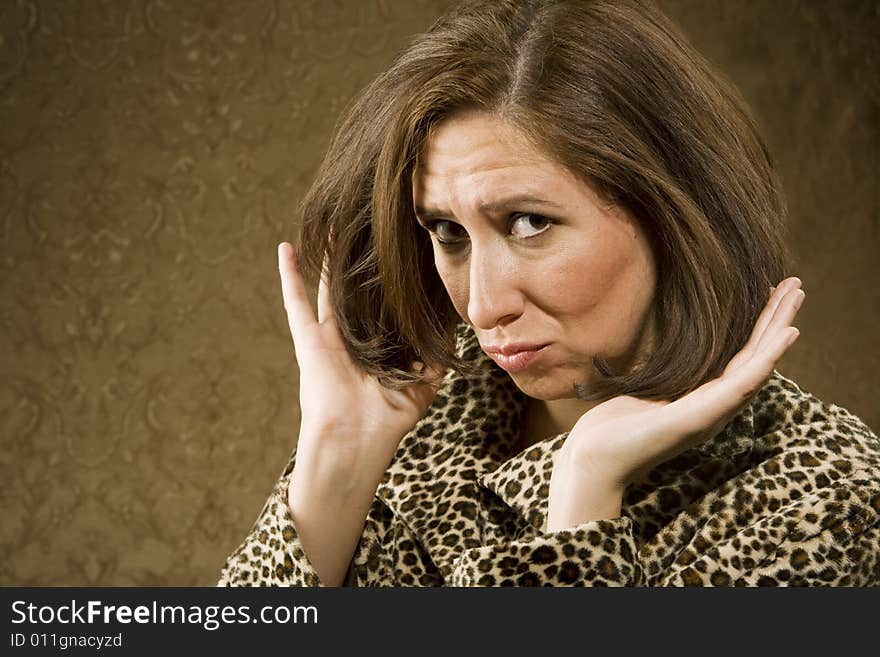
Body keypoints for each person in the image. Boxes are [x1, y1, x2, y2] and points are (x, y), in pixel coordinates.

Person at [218, 0, 879, 587]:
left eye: (530, 223)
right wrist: (336, 451)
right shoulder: (425, 415)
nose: (481, 306)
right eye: (448, 231)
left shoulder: (825, 496)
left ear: (673, 214)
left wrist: (584, 491)